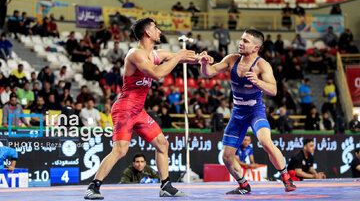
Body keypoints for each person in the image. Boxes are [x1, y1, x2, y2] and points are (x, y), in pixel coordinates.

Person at [84, 17, 206, 199]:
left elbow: (183, 58)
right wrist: (179, 56)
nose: (160, 32)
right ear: (148, 32)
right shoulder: (135, 54)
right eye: (156, 28)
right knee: (120, 150)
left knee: (162, 144)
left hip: (139, 111)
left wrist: (202, 59)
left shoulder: (157, 54)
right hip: (124, 108)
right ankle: (93, 187)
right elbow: (157, 74)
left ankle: (165, 185)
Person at [199, 29, 296, 195]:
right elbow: (209, 73)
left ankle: (286, 177)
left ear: (256, 47)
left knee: (265, 141)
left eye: (245, 41)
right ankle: (243, 185)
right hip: (237, 114)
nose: (240, 43)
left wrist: (257, 82)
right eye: (241, 39)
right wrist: (204, 63)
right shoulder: (232, 59)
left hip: (255, 111)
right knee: (227, 157)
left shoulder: (262, 65)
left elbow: (273, 90)